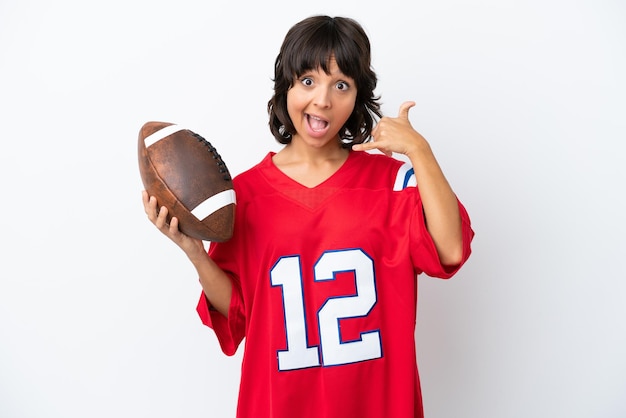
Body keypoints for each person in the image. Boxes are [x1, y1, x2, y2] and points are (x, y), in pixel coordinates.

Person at [142, 15, 474, 418]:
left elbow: (451, 249)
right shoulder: (244, 196)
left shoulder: (394, 182)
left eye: (341, 85)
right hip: (281, 405)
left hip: (376, 405)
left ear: (357, 98)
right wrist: (194, 251)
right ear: (286, 86)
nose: (322, 100)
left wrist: (419, 150)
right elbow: (239, 316)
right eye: (308, 81)